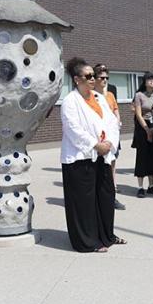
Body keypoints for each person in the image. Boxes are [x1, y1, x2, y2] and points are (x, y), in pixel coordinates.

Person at [59, 58, 125, 253]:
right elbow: (73, 129)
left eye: (93, 76)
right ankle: (87, 242)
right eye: (88, 76)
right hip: (81, 158)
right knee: (84, 202)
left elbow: (112, 122)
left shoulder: (98, 97)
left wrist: (109, 143)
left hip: (103, 156)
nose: (92, 79)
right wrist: (95, 145)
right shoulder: (70, 101)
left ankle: (107, 235)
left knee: (105, 196)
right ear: (77, 79)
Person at [94, 64, 125, 210]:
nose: (104, 80)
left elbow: (116, 110)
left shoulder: (110, 95)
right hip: (98, 136)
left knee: (112, 163)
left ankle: (112, 195)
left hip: (112, 135)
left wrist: (118, 122)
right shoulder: (91, 95)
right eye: (101, 77)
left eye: (106, 77)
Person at [132, 72, 153, 198]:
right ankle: (140, 187)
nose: (152, 82)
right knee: (142, 155)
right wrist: (146, 129)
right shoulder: (139, 95)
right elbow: (138, 114)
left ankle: (151, 186)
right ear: (144, 82)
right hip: (142, 127)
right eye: (149, 79)